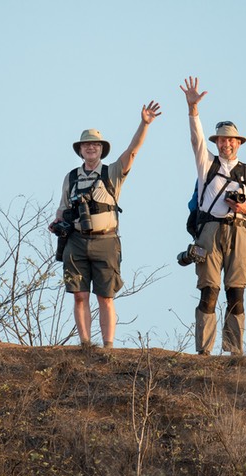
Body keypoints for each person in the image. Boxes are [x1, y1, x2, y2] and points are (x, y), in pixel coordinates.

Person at [52, 101, 161, 349]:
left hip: (106, 240)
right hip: (76, 241)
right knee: (79, 296)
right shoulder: (70, 177)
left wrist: (144, 124)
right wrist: (57, 221)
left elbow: (133, 150)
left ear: (101, 149)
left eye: (95, 144)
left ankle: (108, 346)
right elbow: (62, 206)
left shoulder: (111, 173)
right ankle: (86, 344)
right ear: (80, 150)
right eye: (86, 145)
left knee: (105, 297)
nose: (91, 147)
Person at [179, 77, 246, 356]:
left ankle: (233, 351)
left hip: (239, 230)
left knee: (236, 292)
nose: (227, 144)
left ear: (238, 143)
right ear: (216, 142)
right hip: (210, 230)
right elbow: (195, 140)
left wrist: (245, 210)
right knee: (209, 290)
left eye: (231, 140)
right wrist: (193, 111)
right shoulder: (207, 165)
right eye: (222, 139)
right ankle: (203, 352)